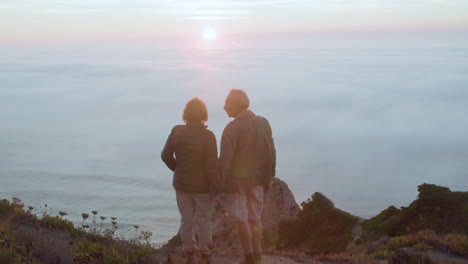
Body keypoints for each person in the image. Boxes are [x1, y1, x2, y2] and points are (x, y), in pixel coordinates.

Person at [219, 89, 276, 264]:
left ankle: (249, 255)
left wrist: (219, 184)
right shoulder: (263, 122)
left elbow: (225, 160)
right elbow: (271, 151)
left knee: (241, 218)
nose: (224, 107)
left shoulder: (232, 128)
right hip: (259, 180)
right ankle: (258, 252)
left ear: (236, 105)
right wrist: (270, 177)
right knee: (255, 217)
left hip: (238, 184)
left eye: (227, 103)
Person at [161, 97, 219, 264]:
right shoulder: (208, 136)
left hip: (181, 184)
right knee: (204, 220)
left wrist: (178, 169)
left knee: (186, 219)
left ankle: (189, 254)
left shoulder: (176, 130)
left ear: (186, 114)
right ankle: (206, 253)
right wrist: (217, 187)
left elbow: (165, 156)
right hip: (202, 187)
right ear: (203, 115)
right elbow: (211, 166)